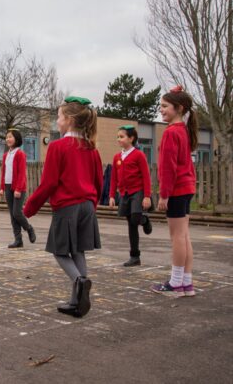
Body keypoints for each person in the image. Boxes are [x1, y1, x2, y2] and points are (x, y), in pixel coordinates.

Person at [23, 96, 102, 318]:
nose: (56, 121)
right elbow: (99, 182)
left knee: (59, 251)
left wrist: (29, 208)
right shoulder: (91, 148)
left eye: (58, 117)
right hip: (87, 205)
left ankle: (80, 281)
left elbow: (49, 183)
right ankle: (77, 302)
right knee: (78, 250)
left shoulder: (58, 147)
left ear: (68, 119)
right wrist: (92, 203)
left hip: (68, 206)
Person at [151, 86, 198, 297]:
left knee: (177, 236)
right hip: (187, 188)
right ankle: (186, 282)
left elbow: (168, 168)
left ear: (178, 108)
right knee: (184, 235)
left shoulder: (171, 133)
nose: (161, 110)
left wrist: (164, 194)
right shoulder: (184, 131)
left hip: (177, 190)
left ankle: (176, 283)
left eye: (164, 106)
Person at [109, 125, 153, 267]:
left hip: (137, 191)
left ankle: (144, 220)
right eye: (118, 137)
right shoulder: (117, 157)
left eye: (121, 137)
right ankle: (135, 256)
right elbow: (113, 178)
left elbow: (146, 176)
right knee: (131, 224)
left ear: (131, 138)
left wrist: (147, 196)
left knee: (136, 218)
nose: (118, 139)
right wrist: (111, 196)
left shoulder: (138, 155)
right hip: (124, 193)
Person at [0, 129, 36, 248]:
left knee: (17, 212)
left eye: (10, 137)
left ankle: (29, 228)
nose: (7, 139)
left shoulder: (20, 154)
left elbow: (21, 174)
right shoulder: (5, 155)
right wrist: (2, 188)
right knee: (12, 214)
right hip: (8, 186)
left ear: (16, 139)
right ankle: (18, 240)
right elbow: (4, 172)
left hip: (18, 187)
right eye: (6, 137)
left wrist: (18, 189)